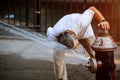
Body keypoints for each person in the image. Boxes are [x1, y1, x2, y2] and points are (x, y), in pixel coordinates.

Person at [46, 6, 110, 80]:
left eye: (75, 46)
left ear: (74, 37)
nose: (76, 48)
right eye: (72, 48)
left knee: (96, 54)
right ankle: (61, 78)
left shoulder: (82, 21)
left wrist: (103, 20)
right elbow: (50, 30)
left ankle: (104, 75)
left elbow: (92, 9)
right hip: (65, 29)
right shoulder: (54, 34)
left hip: (85, 32)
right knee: (57, 56)